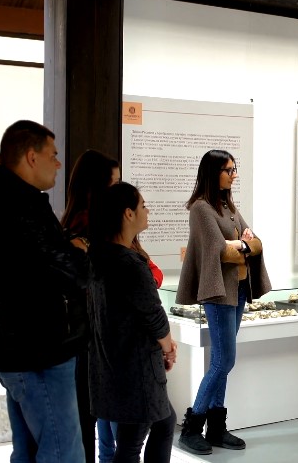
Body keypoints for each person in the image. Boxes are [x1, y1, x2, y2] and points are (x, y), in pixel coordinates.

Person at [0, 120, 87, 462]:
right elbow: (66, 268)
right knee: (62, 450)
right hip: (39, 350)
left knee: (29, 449)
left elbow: (46, 260)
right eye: (52, 155)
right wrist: (79, 252)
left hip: (20, 345)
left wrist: (71, 249)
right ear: (30, 156)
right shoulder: (17, 206)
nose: (58, 163)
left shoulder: (1, 198)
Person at [61, 150, 164, 463]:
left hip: (100, 340)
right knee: (118, 431)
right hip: (101, 341)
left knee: (115, 428)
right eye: (114, 182)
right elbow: (143, 279)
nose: (120, 189)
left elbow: (151, 273)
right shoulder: (89, 236)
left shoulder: (92, 235)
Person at [176, 150, 271, 455]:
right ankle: (192, 427)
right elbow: (220, 252)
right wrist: (240, 245)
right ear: (213, 172)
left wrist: (242, 243)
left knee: (223, 361)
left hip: (238, 290)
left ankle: (216, 427)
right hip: (218, 292)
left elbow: (256, 242)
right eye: (229, 170)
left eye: (234, 169)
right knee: (223, 361)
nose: (234, 175)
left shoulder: (228, 206)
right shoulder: (201, 209)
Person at [87, 183, 177, 463]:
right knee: (136, 440)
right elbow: (153, 314)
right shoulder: (130, 263)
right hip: (136, 367)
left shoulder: (97, 256)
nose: (147, 211)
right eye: (143, 206)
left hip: (110, 363)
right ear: (128, 214)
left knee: (158, 424)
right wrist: (168, 346)